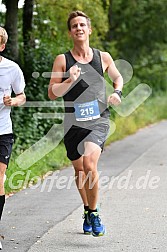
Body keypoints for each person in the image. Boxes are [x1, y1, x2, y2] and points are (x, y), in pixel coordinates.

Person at [48, 11, 123, 237]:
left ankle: (95, 212)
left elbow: (117, 78)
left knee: (90, 163)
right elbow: (52, 93)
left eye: (82, 25)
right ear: (70, 32)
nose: (79, 28)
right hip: (73, 123)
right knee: (80, 169)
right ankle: (88, 209)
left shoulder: (103, 57)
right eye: (74, 26)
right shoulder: (63, 60)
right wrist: (69, 80)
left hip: (98, 120)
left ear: (89, 30)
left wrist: (117, 92)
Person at [0, 27, 26, 249]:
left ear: (1, 46)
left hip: (2, 131)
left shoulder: (11, 68)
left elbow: (22, 96)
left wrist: (13, 102)